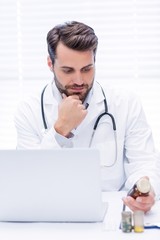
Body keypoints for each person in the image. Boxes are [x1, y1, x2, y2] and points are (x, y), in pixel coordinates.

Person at [14, 21, 160, 213]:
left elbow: (143, 163)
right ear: (50, 64)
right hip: (51, 213)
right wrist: (60, 130)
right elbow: (27, 181)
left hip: (113, 211)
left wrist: (146, 189)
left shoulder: (125, 103)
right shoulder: (28, 110)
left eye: (86, 69)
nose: (79, 80)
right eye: (68, 70)